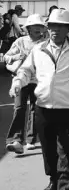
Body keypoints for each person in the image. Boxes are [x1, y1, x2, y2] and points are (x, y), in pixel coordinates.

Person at [10, 9, 69, 190]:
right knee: (47, 147)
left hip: (68, 105)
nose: (55, 31)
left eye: (60, 27)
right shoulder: (38, 50)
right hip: (43, 104)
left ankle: (66, 187)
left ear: (67, 29)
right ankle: (54, 180)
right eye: (52, 27)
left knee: (65, 145)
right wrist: (18, 83)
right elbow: (26, 69)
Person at [4, 13, 46, 153]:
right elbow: (6, 57)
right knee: (19, 108)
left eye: (40, 26)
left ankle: (30, 139)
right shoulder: (20, 42)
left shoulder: (46, 43)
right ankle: (16, 139)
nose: (38, 29)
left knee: (36, 109)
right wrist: (18, 56)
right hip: (21, 79)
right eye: (35, 26)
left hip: (39, 80)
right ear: (28, 28)